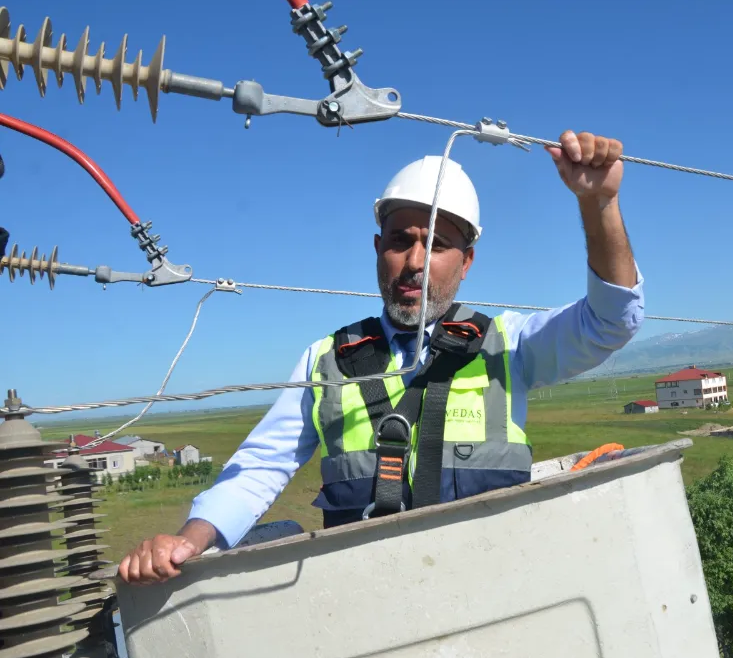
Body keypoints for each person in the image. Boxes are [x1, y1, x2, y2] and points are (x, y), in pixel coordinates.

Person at [118, 130, 645, 584]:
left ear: (466, 262)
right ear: (377, 249)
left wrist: (599, 205)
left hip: (496, 591)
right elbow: (260, 467)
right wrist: (189, 539)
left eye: (437, 245)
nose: (415, 262)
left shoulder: (508, 344)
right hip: (368, 606)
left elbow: (611, 320)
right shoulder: (325, 361)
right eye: (400, 241)